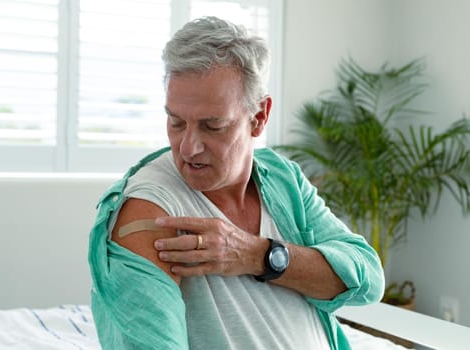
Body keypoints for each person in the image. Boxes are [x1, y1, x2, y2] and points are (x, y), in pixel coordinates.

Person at [88, 16, 384, 350]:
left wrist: (256, 255)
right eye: (176, 122)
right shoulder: (151, 209)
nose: (188, 147)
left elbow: (368, 280)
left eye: (212, 126)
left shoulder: (282, 179)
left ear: (259, 117)